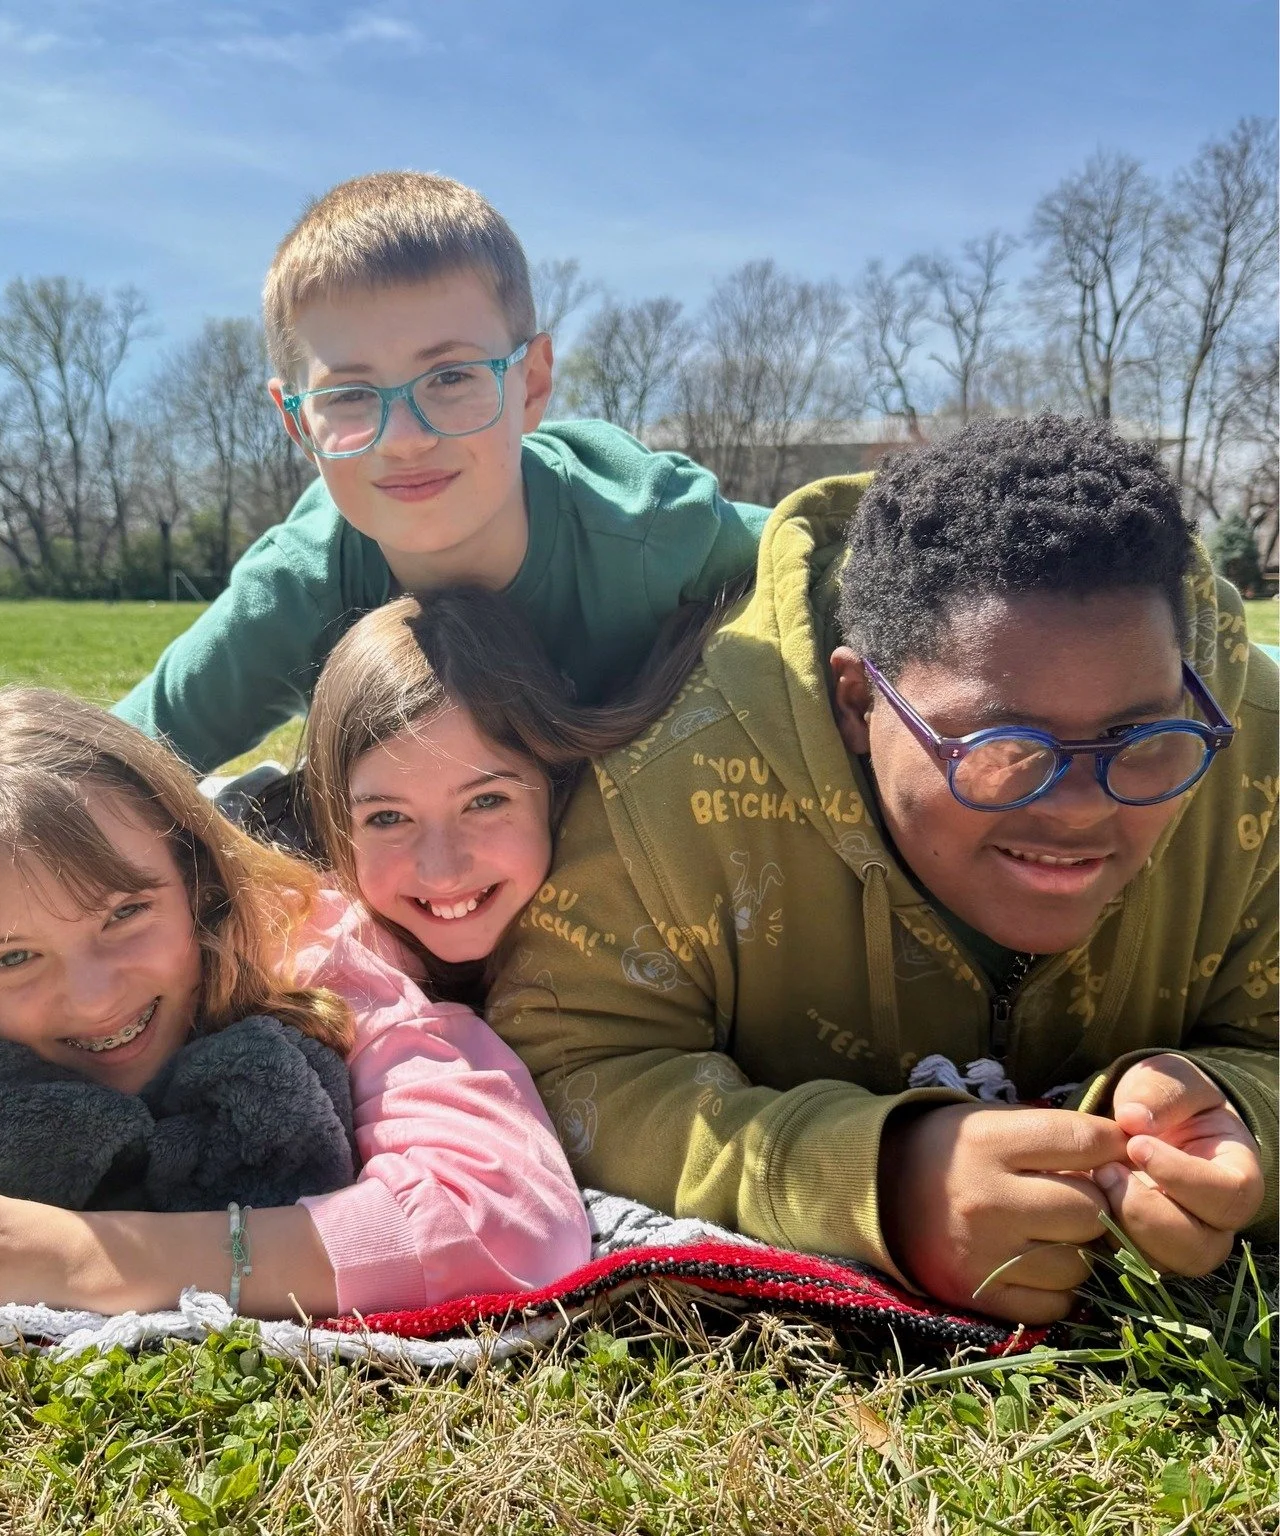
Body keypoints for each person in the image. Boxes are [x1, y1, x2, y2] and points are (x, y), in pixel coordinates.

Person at [488, 414, 1277, 1326]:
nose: (1081, 807)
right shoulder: (669, 783)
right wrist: (878, 1180)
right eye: (1001, 743)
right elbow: (567, 1059)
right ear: (859, 700)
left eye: (1142, 739)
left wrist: (1240, 1119)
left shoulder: (1259, 751)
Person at [0, 689, 589, 1324]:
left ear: (198, 883)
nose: (94, 992)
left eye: (125, 914)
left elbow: (511, 1222)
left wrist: (76, 1259)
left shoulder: (314, 956)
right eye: (14, 958)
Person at [113, 171, 770, 775]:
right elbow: (109, 768)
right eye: (348, 394)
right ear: (298, 426)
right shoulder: (300, 586)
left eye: (451, 377)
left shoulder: (650, 528)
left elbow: (840, 561)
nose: (403, 439)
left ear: (532, 384)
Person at [301, 586, 720, 1000]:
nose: (443, 872)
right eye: (388, 817)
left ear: (554, 786)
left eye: (484, 801)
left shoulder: (639, 917)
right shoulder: (314, 962)